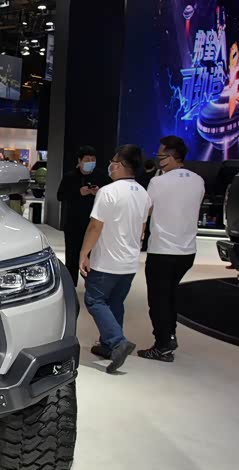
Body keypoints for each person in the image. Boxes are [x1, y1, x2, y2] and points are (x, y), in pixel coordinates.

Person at [79, 144, 151, 374]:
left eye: (112, 161)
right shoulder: (144, 194)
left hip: (107, 261)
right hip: (129, 262)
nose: (110, 165)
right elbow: (142, 228)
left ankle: (118, 342)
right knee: (115, 302)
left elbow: (95, 226)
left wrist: (84, 253)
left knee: (95, 300)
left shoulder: (108, 192)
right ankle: (109, 345)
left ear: (119, 165)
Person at [138, 135, 204, 362]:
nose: (158, 160)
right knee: (170, 296)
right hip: (187, 251)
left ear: (171, 156)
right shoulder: (198, 180)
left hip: (162, 251)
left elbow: (145, 210)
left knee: (158, 299)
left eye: (160, 155)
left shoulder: (158, 182)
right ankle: (170, 336)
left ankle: (162, 344)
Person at [57, 145, 112, 286]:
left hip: (94, 223)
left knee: (93, 256)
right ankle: (70, 285)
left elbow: (111, 196)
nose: (90, 162)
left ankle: (92, 285)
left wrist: (99, 192)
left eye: (93, 160)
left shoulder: (101, 177)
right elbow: (60, 195)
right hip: (73, 222)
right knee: (72, 255)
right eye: (87, 160)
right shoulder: (70, 177)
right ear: (79, 161)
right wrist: (78, 192)